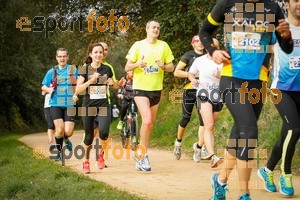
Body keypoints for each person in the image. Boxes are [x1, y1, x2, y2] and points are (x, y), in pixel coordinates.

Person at [199, 0, 294, 199]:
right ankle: (244, 194)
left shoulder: (272, 8)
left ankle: (221, 181)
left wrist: (286, 36)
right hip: (231, 79)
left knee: (239, 135)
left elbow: (286, 47)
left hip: (258, 82)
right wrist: (212, 50)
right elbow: (205, 32)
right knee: (249, 131)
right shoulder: (226, 4)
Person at [257, 0, 300, 197]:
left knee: (288, 134)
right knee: (294, 128)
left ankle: (266, 170)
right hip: (280, 89)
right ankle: (286, 173)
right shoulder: (277, 28)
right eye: (296, 0)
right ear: (287, 3)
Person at [125, 20, 175, 171]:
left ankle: (140, 153)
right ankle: (142, 154)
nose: (156, 29)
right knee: (146, 121)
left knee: (150, 124)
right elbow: (127, 67)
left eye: (158, 28)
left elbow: (171, 67)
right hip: (140, 89)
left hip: (156, 90)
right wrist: (137, 65)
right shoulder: (138, 45)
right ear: (146, 29)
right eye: (153, 27)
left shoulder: (163, 46)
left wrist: (163, 66)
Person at [73, 43, 121, 174]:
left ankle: (100, 155)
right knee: (88, 137)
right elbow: (78, 89)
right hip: (89, 106)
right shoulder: (84, 69)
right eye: (96, 52)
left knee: (104, 132)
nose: (99, 54)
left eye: (101, 52)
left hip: (103, 105)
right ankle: (85, 161)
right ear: (90, 54)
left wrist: (116, 84)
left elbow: (113, 85)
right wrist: (90, 81)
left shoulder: (107, 69)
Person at [188, 38, 224, 168]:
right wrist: (193, 80)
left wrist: (221, 76)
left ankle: (198, 147)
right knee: (208, 126)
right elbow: (190, 74)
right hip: (203, 94)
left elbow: (231, 79)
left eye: (215, 45)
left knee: (211, 126)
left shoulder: (224, 62)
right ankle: (213, 157)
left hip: (218, 96)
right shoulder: (199, 61)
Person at [173, 35, 208, 162]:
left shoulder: (207, 56)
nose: (200, 43)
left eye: (201, 41)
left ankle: (200, 146)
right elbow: (176, 72)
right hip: (189, 89)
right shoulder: (188, 55)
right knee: (185, 118)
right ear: (193, 44)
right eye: (197, 41)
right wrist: (191, 75)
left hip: (204, 90)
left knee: (204, 120)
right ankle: (178, 143)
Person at [41, 48, 78, 161]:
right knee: (59, 129)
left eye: (64, 56)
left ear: (67, 57)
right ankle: (59, 153)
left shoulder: (73, 69)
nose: (62, 58)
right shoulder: (51, 71)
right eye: (60, 56)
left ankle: (66, 138)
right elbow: (43, 86)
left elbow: (77, 83)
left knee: (68, 132)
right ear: (56, 57)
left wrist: (76, 93)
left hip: (70, 104)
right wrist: (48, 89)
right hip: (55, 103)